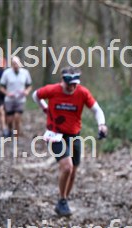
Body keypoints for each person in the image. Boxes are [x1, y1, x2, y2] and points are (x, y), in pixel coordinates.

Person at [32, 66, 107, 217]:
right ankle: (62, 199)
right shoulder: (52, 90)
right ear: (62, 80)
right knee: (67, 167)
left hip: (74, 135)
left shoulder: (82, 92)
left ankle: (63, 201)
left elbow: (97, 110)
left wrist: (101, 125)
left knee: (73, 171)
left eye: (74, 84)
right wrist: (45, 108)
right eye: (69, 84)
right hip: (55, 134)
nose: (72, 87)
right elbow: (35, 95)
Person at [0, 56, 32, 137]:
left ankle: (16, 136)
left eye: (17, 63)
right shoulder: (6, 73)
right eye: (14, 64)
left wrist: (26, 91)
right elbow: (0, 87)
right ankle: (9, 131)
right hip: (9, 100)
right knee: (9, 120)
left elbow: (29, 85)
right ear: (11, 64)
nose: (16, 65)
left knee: (17, 117)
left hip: (20, 99)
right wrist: (7, 93)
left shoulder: (25, 73)